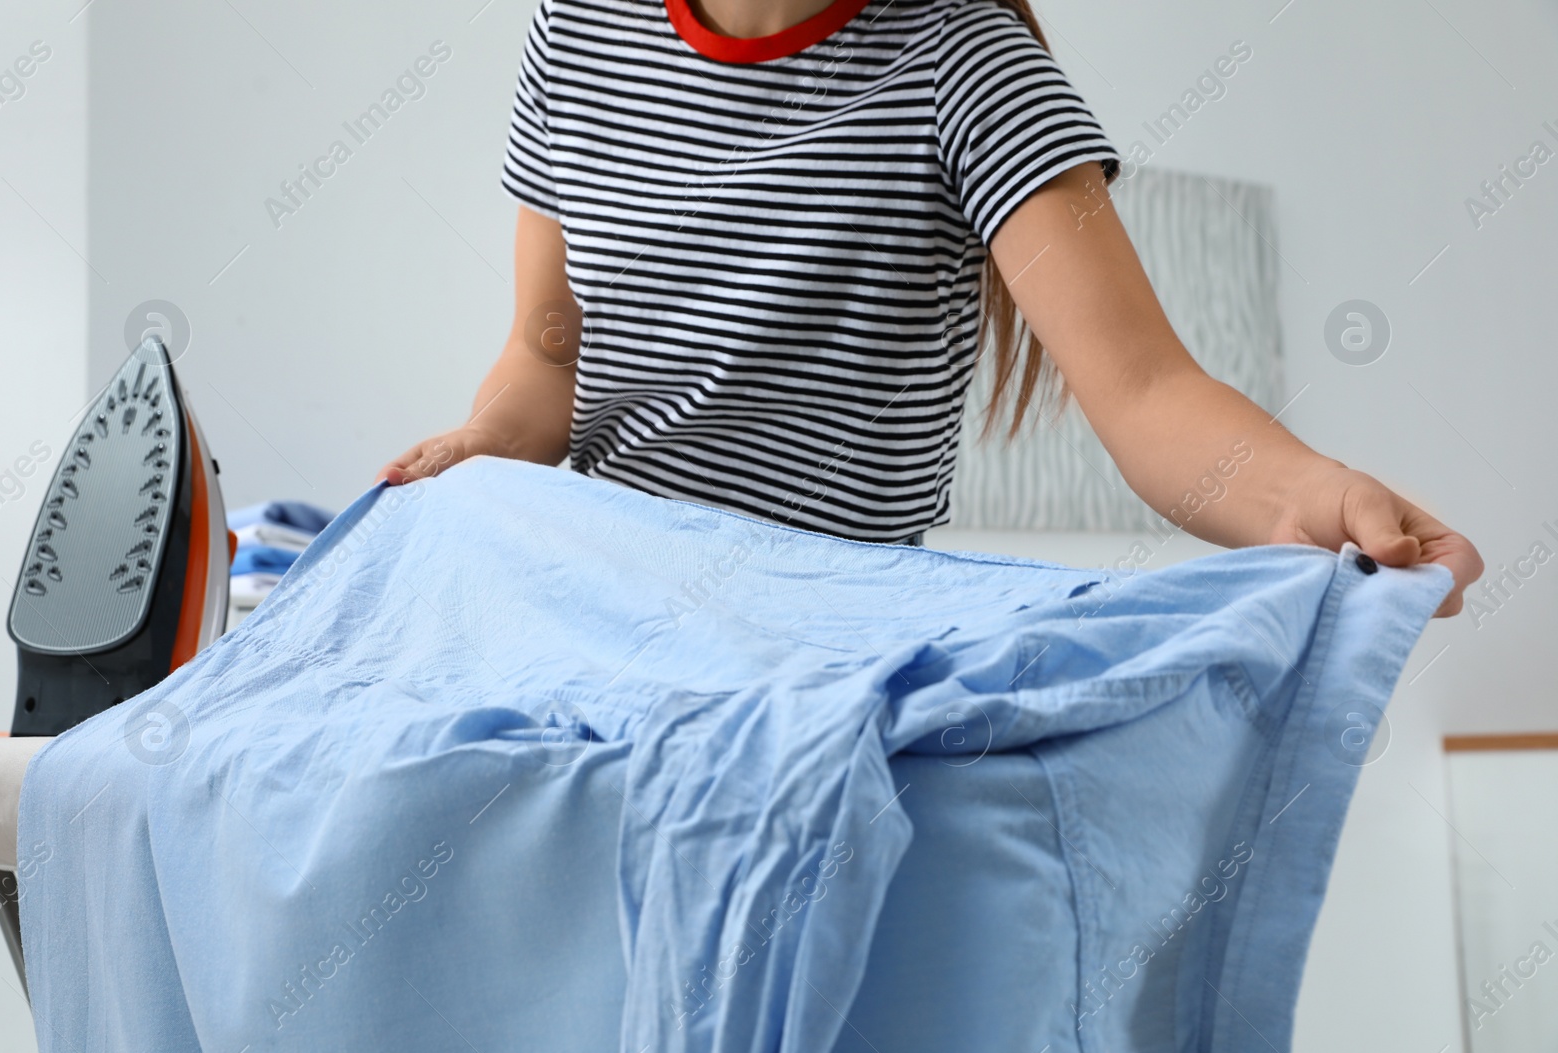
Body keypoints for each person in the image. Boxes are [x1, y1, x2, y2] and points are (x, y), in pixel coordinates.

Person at [379, 0, 1481, 615]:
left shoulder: (967, 64)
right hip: (599, 589)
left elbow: (1147, 393)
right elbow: (546, 354)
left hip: (829, 627)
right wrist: (480, 448)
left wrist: (1313, 493)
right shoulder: (578, 30)